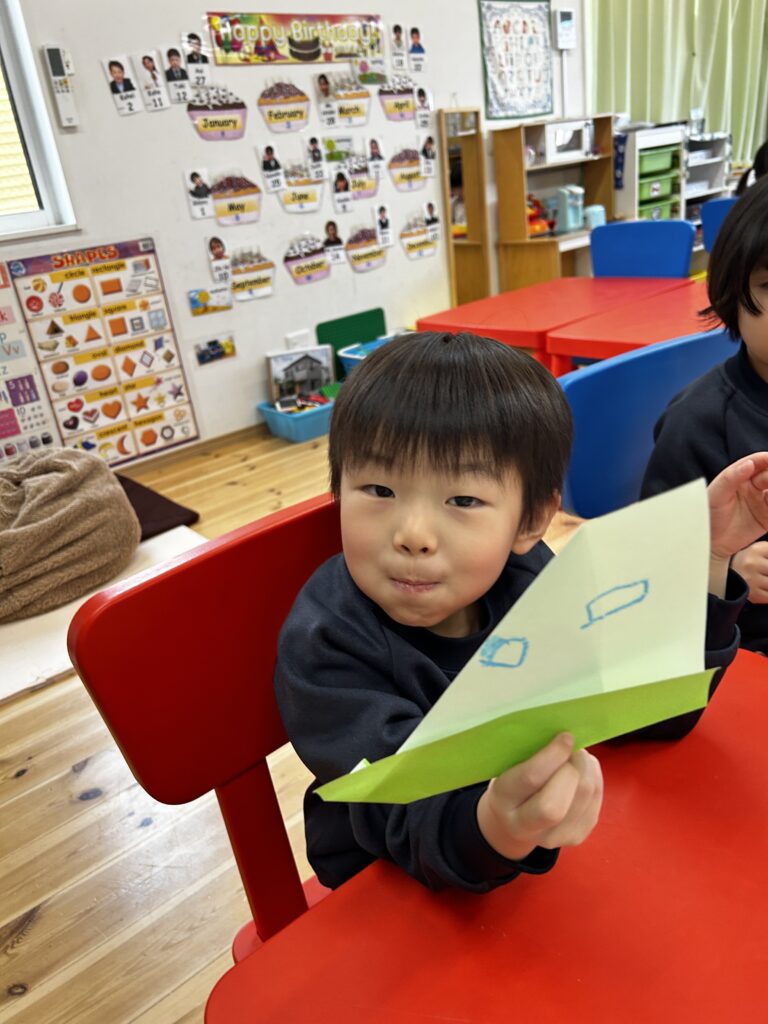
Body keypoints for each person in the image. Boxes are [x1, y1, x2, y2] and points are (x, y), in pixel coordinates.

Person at [276, 330, 762, 892]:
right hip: (383, 882)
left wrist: (708, 559)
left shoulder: (528, 581)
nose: (413, 534)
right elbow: (396, 803)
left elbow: (646, 714)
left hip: (522, 854)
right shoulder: (328, 638)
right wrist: (494, 828)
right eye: (379, 490)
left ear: (530, 520)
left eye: (462, 500)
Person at [641, 174, 768, 652]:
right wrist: (726, 569)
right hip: (738, 650)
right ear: (732, 293)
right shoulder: (697, 424)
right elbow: (651, 573)